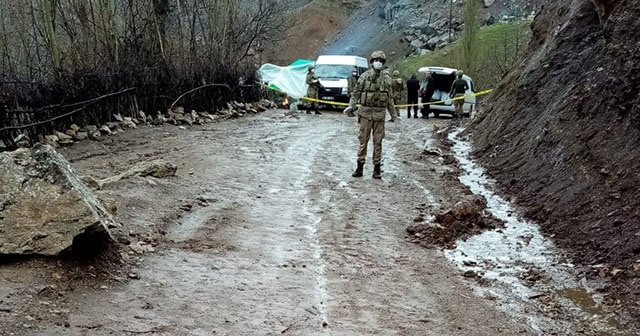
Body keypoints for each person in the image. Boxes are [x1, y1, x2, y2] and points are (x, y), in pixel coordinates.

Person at [343, 50, 395, 179]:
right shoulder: (364, 77)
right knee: (363, 141)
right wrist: (351, 106)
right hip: (365, 113)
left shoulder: (387, 79)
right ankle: (360, 167)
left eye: (381, 61)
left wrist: (394, 115)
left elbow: (389, 99)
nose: (378, 63)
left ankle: (376, 169)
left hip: (379, 115)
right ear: (372, 62)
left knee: (378, 142)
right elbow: (356, 93)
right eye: (376, 60)